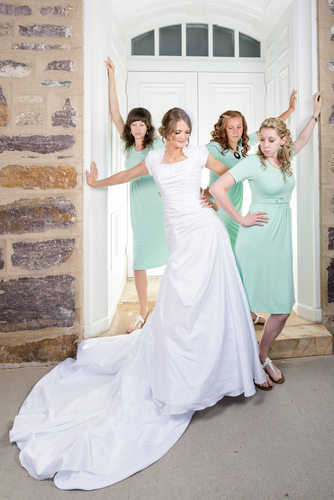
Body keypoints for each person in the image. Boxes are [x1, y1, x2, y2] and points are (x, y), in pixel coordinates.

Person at [10, 108, 266, 491]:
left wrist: (217, 198)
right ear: (165, 133)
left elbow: (228, 174)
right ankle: (181, 362)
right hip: (178, 232)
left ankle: (214, 365)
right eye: (177, 131)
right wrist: (97, 183)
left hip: (204, 228)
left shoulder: (198, 155)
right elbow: (127, 176)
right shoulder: (151, 160)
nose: (182, 137)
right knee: (180, 295)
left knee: (209, 296)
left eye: (187, 131)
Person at [209, 92, 322, 389]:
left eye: (271, 140)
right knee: (243, 303)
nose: (265, 144)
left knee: (283, 306)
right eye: (262, 139)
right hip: (255, 240)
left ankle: (262, 354)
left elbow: (303, 141)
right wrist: (241, 218)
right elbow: (219, 188)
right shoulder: (252, 163)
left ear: (281, 141)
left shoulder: (285, 160)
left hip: (280, 239)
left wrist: (314, 115)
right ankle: (242, 358)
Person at [204, 91, 296, 325]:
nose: (236, 131)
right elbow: (189, 161)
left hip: (241, 208)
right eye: (231, 127)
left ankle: (247, 311)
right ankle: (226, 314)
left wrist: (291, 111)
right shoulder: (214, 148)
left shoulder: (247, 147)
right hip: (224, 212)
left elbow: (270, 132)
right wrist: (201, 191)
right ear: (223, 129)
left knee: (240, 265)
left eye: (239, 127)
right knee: (227, 263)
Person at [105, 56, 168, 332]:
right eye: (134, 124)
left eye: (142, 124)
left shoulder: (156, 147)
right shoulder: (129, 146)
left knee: (173, 258)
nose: (137, 127)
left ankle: (171, 309)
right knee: (140, 261)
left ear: (148, 126)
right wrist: (111, 77)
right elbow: (114, 112)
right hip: (140, 210)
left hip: (159, 205)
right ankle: (143, 312)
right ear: (130, 128)